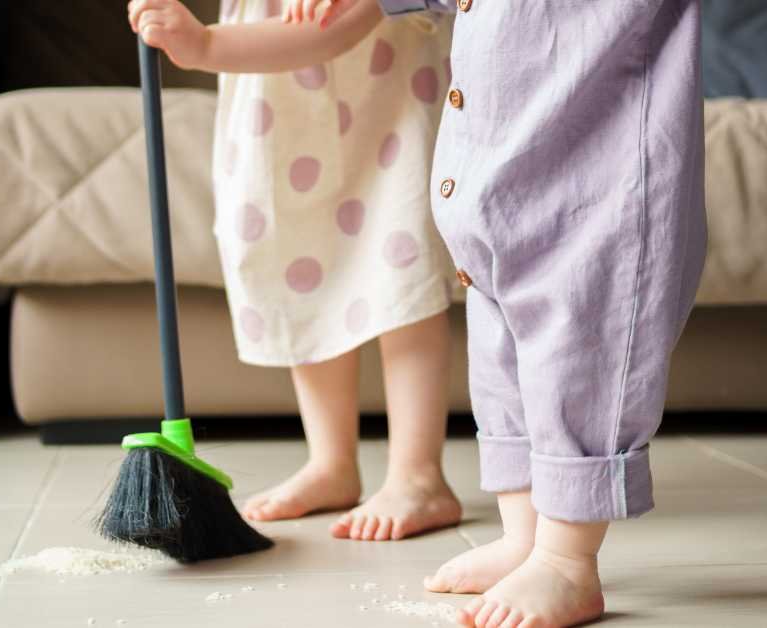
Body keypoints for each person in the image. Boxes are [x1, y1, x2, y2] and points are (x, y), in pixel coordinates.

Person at [289, 0, 708, 625]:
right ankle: (523, 537)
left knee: (580, 371)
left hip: (597, 191)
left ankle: (567, 561)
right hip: (494, 186)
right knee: (501, 367)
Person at [127, 0, 462, 542]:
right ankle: (331, 462)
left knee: (400, 268)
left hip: (385, 89)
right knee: (298, 259)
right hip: (276, 110)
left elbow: (331, 32)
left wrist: (202, 46)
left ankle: (417, 474)